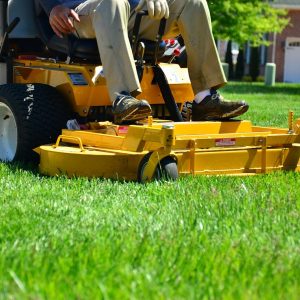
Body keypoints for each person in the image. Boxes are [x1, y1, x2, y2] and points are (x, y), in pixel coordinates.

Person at [39, 0, 249, 123]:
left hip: (129, 10)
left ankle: (205, 99)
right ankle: (123, 98)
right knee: (113, 3)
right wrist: (53, 8)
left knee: (193, 3)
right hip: (77, 13)